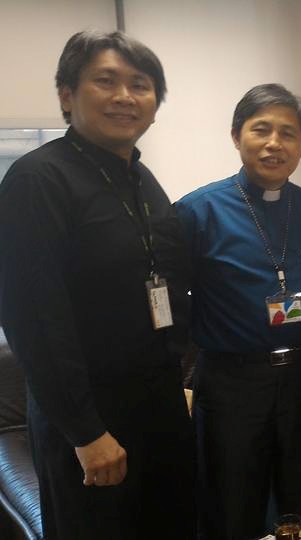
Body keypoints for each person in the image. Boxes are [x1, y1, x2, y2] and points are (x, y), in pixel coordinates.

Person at [0, 31, 194, 539]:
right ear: (67, 95)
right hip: (89, 421)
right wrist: (86, 432)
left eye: (141, 85)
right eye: (106, 81)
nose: (125, 96)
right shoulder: (37, 180)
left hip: (158, 405)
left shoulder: (142, 180)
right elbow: (34, 319)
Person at [176, 84, 301, 539]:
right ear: (235, 135)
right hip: (232, 384)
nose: (274, 143)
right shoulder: (197, 212)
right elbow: (170, 304)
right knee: (232, 506)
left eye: (288, 133)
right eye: (261, 130)